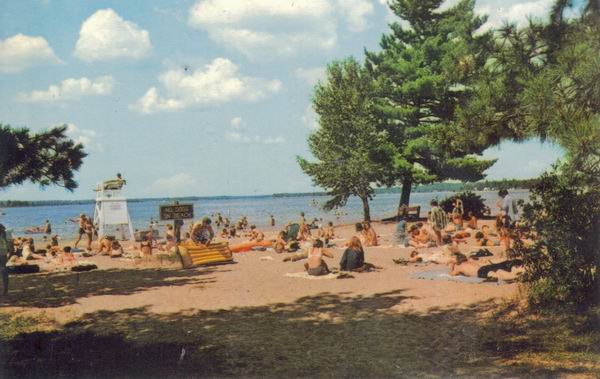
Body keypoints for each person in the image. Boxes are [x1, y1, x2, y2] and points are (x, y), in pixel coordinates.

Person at [0, 224, 14, 295]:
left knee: (3, 270)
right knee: (3, 270)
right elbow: (9, 246)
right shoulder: (4, 231)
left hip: (2, 253)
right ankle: (5, 289)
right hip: (3, 253)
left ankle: (5, 289)